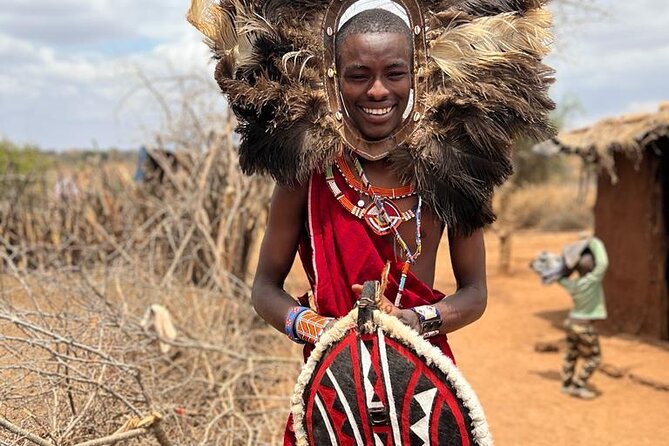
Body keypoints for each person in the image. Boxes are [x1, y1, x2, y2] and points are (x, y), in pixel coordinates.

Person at [250, 9, 487, 443]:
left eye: (394, 73)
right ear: (333, 77)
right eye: (358, 75)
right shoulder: (307, 172)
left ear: (416, 75)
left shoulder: (451, 169)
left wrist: (417, 321)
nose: (378, 90)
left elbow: (475, 295)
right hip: (332, 390)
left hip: (422, 389)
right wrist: (319, 330)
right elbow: (264, 288)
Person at [556, 236, 609, 399]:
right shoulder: (592, 281)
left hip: (571, 322)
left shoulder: (573, 284)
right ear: (592, 267)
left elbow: (560, 277)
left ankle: (566, 384)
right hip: (584, 326)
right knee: (595, 357)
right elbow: (603, 264)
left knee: (571, 353)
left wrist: (566, 266)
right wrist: (594, 242)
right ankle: (578, 385)